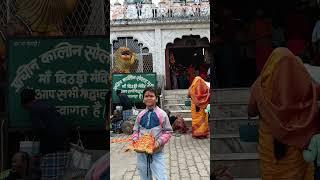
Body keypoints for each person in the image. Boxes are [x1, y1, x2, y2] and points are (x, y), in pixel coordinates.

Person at [248, 48, 320, 179]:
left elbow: (251, 111)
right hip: (296, 149)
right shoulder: (302, 84)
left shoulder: (260, 85)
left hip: (270, 151)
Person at [20, 89, 68, 179]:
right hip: (63, 149)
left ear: (24, 104)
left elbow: (39, 129)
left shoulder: (34, 109)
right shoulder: (46, 105)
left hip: (51, 151)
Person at [131, 87, 173, 180]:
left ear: (156, 99)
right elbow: (135, 130)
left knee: (161, 177)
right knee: (144, 177)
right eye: (146, 96)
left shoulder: (162, 114)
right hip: (141, 153)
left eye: (151, 96)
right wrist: (135, 140)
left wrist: (158, 143)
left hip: (156, 152)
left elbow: (168, 132)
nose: (148, 98)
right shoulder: (140, 114)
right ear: (143, 99)